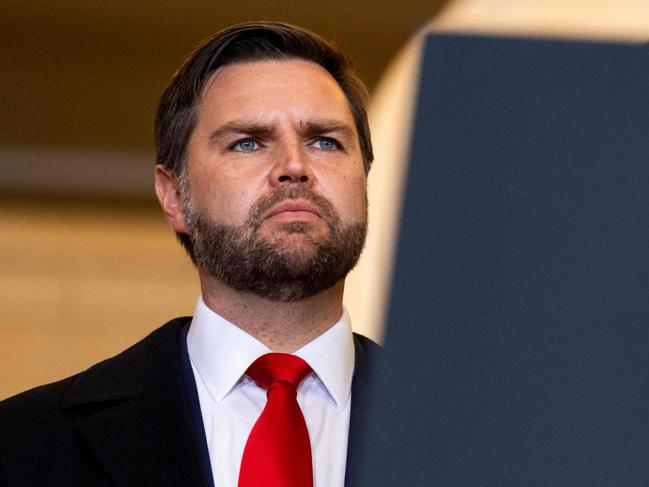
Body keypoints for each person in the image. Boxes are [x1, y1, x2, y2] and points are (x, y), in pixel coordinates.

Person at [0, 21, 380, 487]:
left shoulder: (477, 429)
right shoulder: (23, 445)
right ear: (174, 197)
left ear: (363, 182)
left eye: (325, 141)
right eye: (248, 142)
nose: (295, 167)